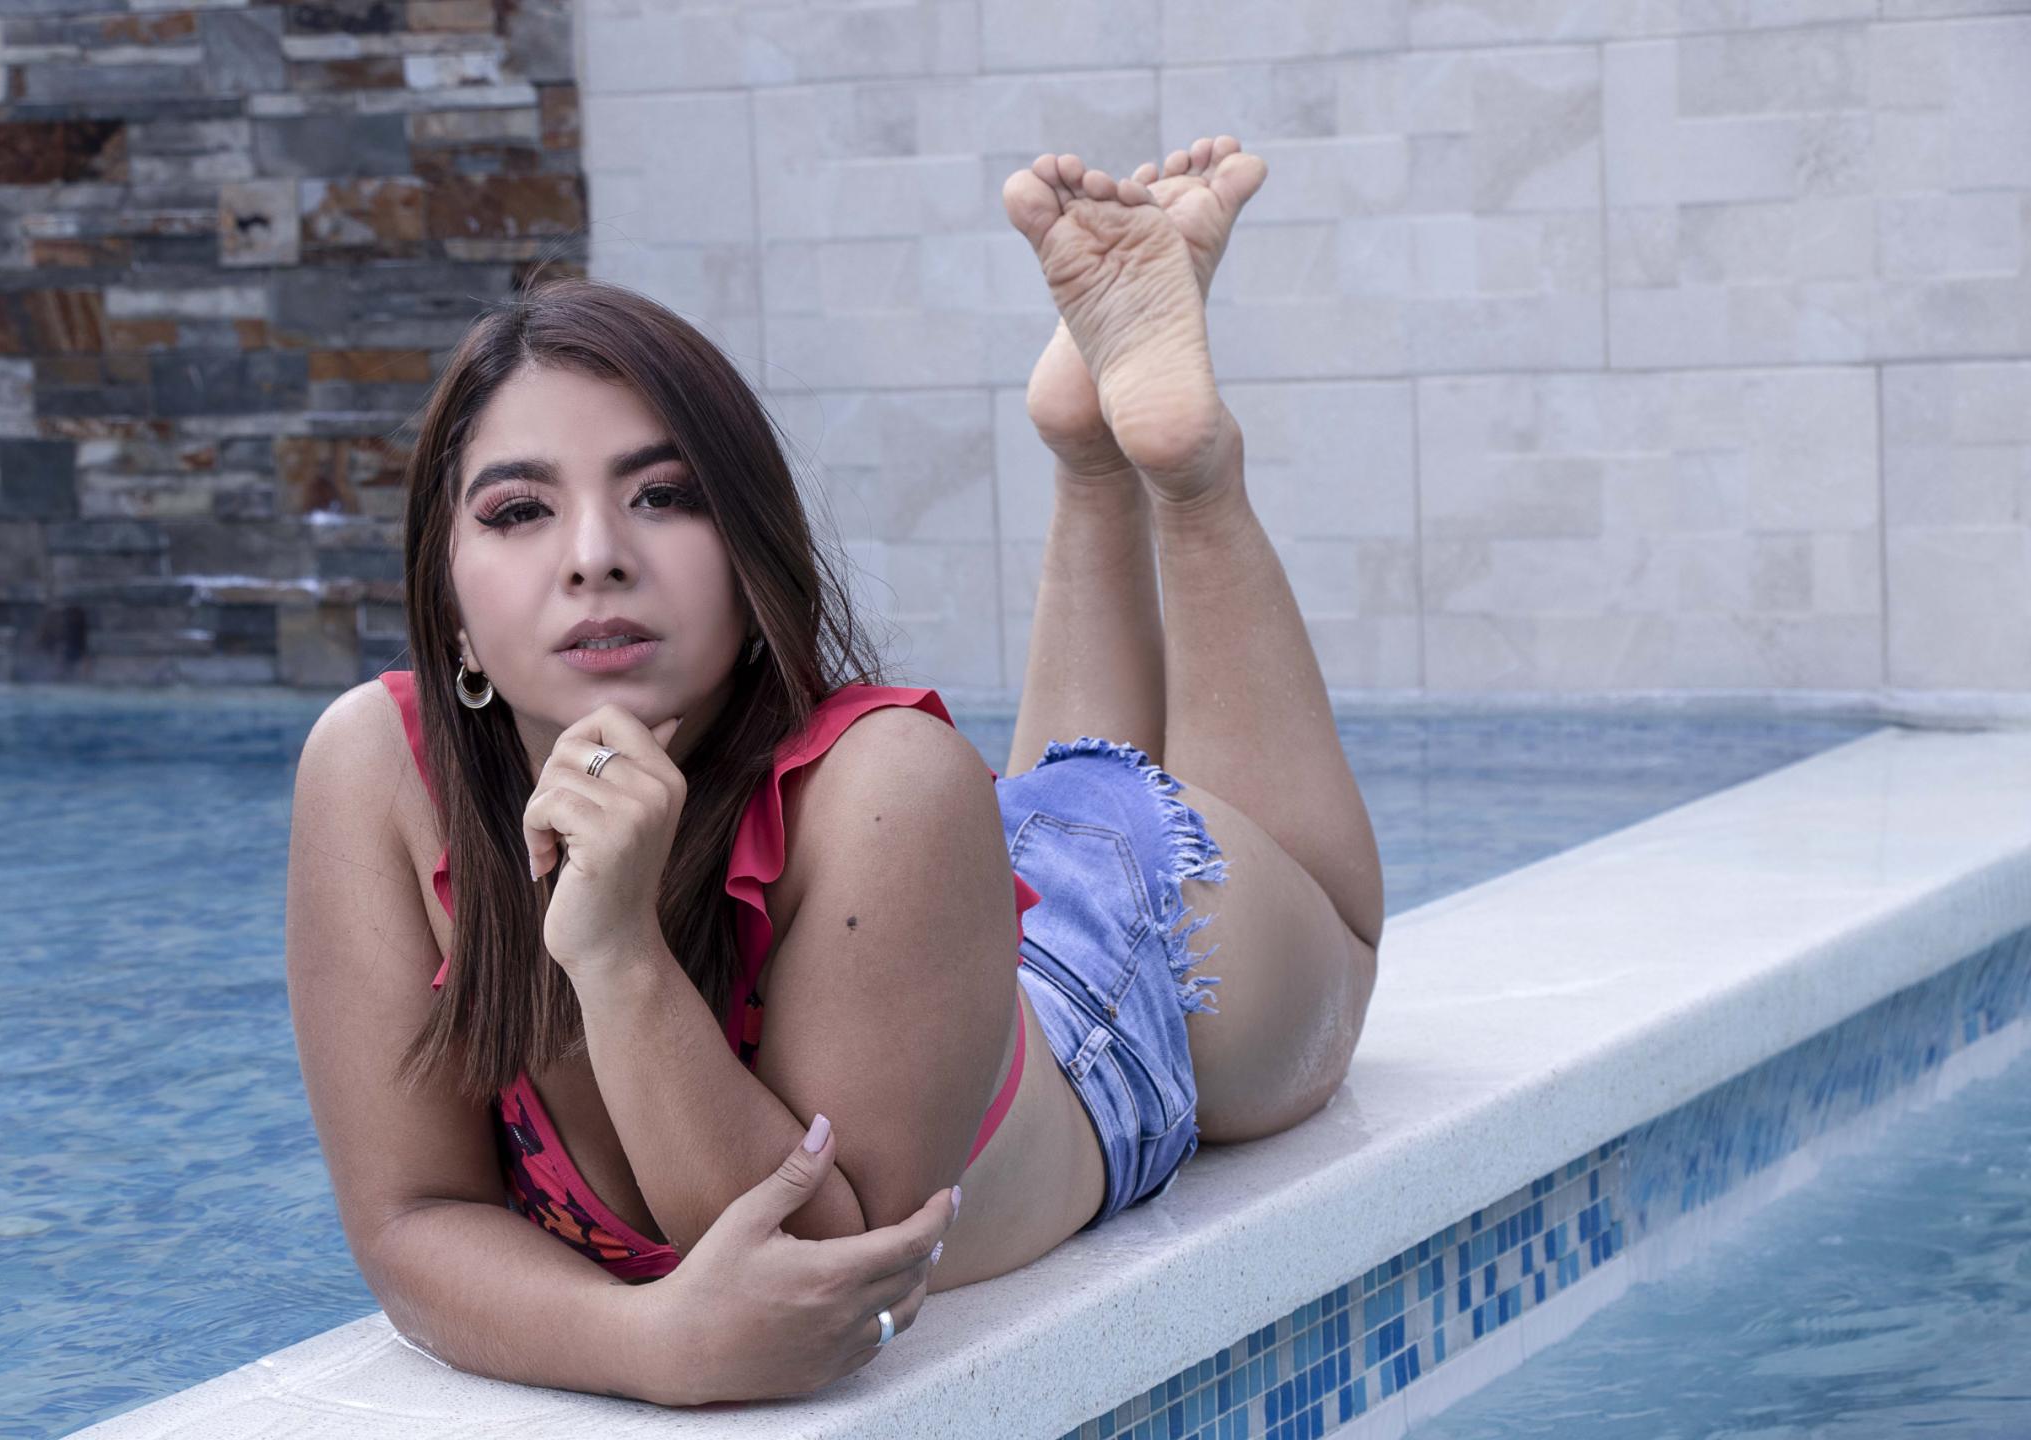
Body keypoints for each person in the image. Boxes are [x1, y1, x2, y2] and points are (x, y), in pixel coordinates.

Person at [284, 135, 1382, 1408]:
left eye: (664, 496)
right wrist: (647, 1344)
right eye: (519, 510)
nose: (593, 555)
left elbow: (825, 1277)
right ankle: (1089, 454)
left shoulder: (895, 782)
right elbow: (413, 1220)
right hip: (926, 931)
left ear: (753, 567)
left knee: (1327, 962)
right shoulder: (375, 771)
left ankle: (1183, 473)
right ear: (451, 613)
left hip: (1114, 973)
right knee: (1018, 813)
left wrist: (618, 952)